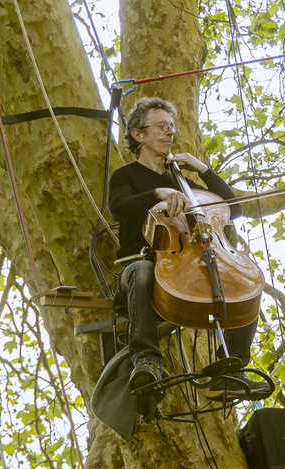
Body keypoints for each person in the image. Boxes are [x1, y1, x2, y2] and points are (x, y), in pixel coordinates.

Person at [108, 96, 259, 394]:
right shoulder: (125, 176)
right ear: (138, 135)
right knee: (141, 270)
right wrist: (156, 193)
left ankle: (232, 368)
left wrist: (203, 169)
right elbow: (118, 208)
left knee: (245, 279)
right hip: (139, 266)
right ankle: (147, 362)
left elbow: (233, 208)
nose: (171, 132)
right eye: (162, 126)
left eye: (172, 126)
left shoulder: (184, 183)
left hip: (187, 266)